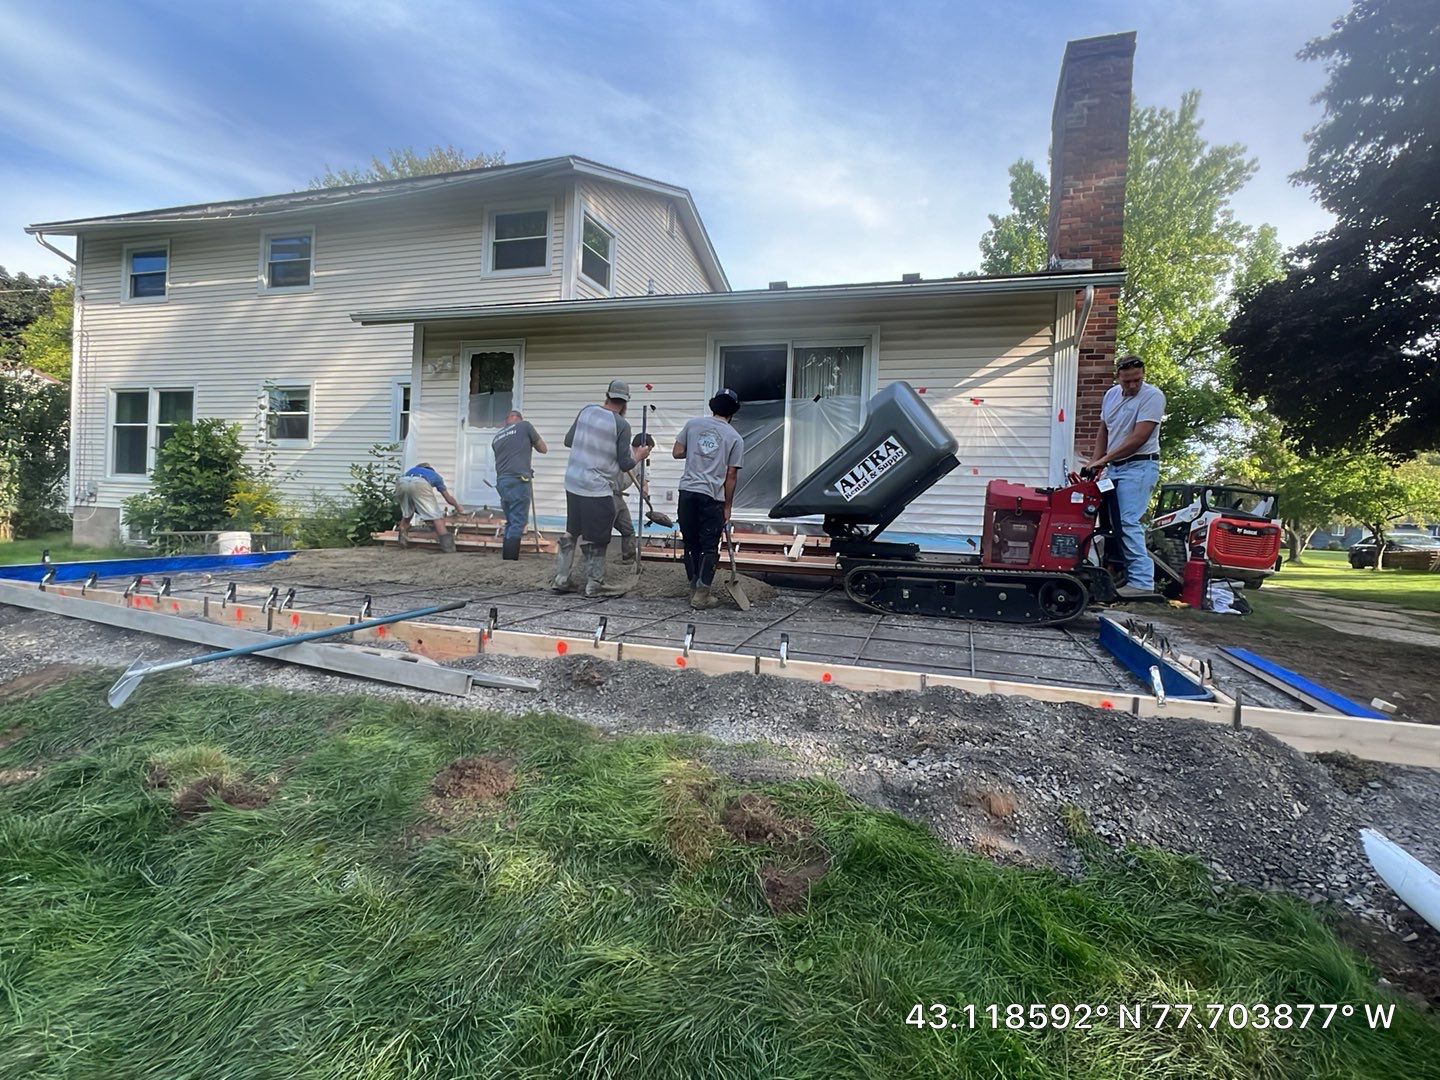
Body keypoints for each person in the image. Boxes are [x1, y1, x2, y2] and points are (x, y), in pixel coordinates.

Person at [554, 379, 651, 597]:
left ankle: (561, 578)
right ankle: (595, 583)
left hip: (573, 481)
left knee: (572, 530)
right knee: (598, 536)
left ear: (606, 395)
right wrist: (639, 455)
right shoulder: (621, 425)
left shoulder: (586, 411)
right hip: (596, 486)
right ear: (626, 403)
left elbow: (569, 441)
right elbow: (626, 464)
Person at [1087, 356, 1166, 599]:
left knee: (1129, 521)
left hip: (1140, 467)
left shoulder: (1152, 397)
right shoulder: (1110, 395)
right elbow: (1104, 430)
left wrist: (1104, 459)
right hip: (1115, 467)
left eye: (1137, 380)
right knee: (1109, 524)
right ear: (1118, 377)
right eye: (1128, 381)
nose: (1133, 385)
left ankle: (1142, 582)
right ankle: (1114, 573)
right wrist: (1095, 463)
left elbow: (1138, 438)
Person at [673, 388, 744, 609]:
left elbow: (676, 452)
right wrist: (728, 506)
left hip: (687, 492)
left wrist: (695, 450)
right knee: (709, 547)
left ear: (712, 406)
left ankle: (693, 588)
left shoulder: (692, 425)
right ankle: (702, 596)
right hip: (712, 496)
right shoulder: (734, 437)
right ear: (732, 412)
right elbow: (731, 475)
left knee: (691, 543)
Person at [490, 409, 547, 561]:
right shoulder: (525, 426)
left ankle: (507, 556)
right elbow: (543, 449)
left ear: (506, 421)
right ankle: (510, 559)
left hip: (503, 481)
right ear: (519, 419)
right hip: (518, 480)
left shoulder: (496, 437)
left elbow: (511, 456)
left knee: (511, 520)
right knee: (518, 522)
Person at [395, 461, 461, 553]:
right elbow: (448, 498)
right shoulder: (435, 476)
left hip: (402, 482)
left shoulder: (411, 471)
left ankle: (402, 534)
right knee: (435, 515)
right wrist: (458, 507)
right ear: (430, 469)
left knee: (408, 511)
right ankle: (448, 546)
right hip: (420, 482)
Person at [613, 433, 654, 563]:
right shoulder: (623, 453)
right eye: (649, 450)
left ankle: (628, 559)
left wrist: (644, 488)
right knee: (603, 528)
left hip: (618, 495)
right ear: (643, 447)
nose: (649, 454)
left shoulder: (641, 461)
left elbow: (642, 478)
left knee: (628, 529)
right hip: (608, 493)